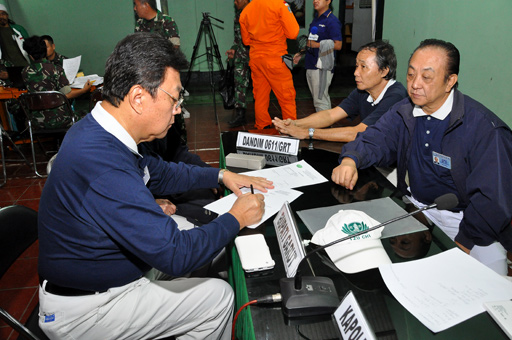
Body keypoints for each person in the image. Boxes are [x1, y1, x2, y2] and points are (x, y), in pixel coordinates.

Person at [37, 32, 272, 340]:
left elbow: (158, 174)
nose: (178, 110)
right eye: (175, 98)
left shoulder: (102, 131)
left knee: (190, 230)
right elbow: (175, 254)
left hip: (104, 277)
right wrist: (238, 216)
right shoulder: (101, 163)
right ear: (138, 98)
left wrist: (220, 176)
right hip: (88, 309)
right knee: (217, 296)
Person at [332, 39, 512, 274]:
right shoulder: (405, 110)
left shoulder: (485, 130)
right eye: (410, 75)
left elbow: (493, 200)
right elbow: (376, 137)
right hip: (415, 207)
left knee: (490, 275)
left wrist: (465, 241)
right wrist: (351, 159)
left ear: (450, 81)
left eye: (426, 77)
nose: (415, 84)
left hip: (466, 220)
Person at [274, 40, 407, 142]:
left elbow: (358, 133)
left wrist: (307, 133)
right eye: (356, 66)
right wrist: (295, 123)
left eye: (363, 67)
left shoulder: (396, 97)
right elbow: (331, 115)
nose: (356, 73)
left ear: (384, 71)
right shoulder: (363, 91)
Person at [239, 0, 299, 129]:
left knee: (260, 96)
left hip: (256, 59)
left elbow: (246, 40)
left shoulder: (246, 10)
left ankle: (262, 126)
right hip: (275, 58)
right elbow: (293, 33)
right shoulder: (279, 5)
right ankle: (291, 129)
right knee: (286, 96)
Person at [21, 36, 92, 130]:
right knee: (86, 115)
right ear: (44, 51)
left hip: (36, 122)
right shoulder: (55, 69)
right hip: (61, 119)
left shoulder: (25, 72)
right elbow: (67, 95)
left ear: (30, 55)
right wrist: (84, 90)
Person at [293, 0, 342, 112]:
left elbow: (338, 45)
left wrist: (316, 45)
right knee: (318, 100)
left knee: (321, 100)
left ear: (328, 1)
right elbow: (311, 41)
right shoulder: (316, 19)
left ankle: (324, 128)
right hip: (311, 64)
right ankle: (324, 125)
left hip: (322, 67)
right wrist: (301, 53)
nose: (315, 1)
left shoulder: (332, 21)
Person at [225, 0, 251, 128]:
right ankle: (240, 115)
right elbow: (237, 38)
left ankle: (265, 115)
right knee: (239, 84)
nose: (235, 3)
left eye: (238, 0)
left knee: (260, 86)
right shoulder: (238, 16)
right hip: (241, 56)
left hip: (255, 55)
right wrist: (233, 49)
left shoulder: (255, 13)